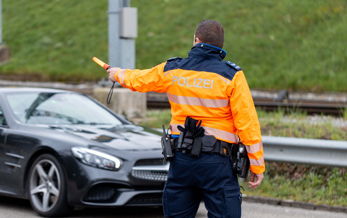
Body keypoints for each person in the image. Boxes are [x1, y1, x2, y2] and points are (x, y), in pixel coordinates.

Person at [107, 20, 264, 218]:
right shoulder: (232, 76)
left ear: (196, 40)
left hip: (182, 161)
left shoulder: (173, 69)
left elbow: (140, 79)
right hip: (217, 163)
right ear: (220, 46)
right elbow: (247, 123)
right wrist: (257, 166)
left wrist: (117, 74)